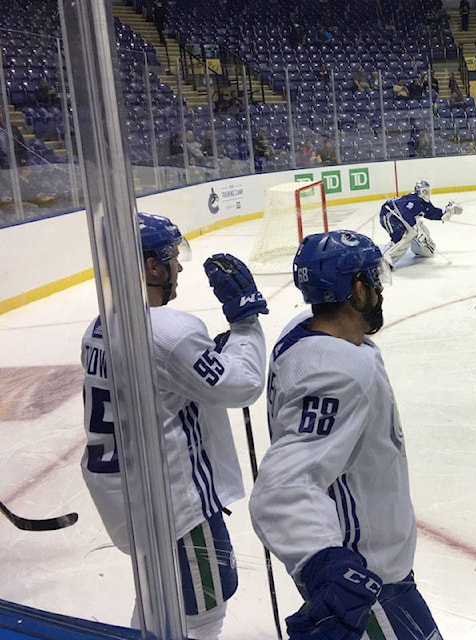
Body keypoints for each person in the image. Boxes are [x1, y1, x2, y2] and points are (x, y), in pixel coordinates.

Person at [248, 230, 444, 640]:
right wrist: (326, 566)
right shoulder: (334, 371)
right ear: (356, 290)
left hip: (378, 574)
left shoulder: (303, 332)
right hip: (367, 583)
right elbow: (283, 484)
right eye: (374, 280)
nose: (380, 291)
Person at [81, 213, 268, 639]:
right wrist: (245, 324)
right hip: (178, 507)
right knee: (202, 614)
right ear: (150, 266)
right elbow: (242, 386)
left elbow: (162, 384)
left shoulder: (98, 327)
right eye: (172, 257)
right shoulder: (170, 331)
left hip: (131, 498)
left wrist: (204, 364)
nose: (179, 267)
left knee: (157, 601)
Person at [377, 180, 462, 268]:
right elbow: (405, 214)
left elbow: (431, 213)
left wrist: (445, 211)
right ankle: (386, 259)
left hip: (404, 219)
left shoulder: (424, 202)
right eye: (424, 191)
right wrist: (417, 231)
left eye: (428, 191)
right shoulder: (413, 200)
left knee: (428, 249)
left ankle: (417, 248)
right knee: (405, 235)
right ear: (418, 191)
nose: (426, 193)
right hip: (389, 216)